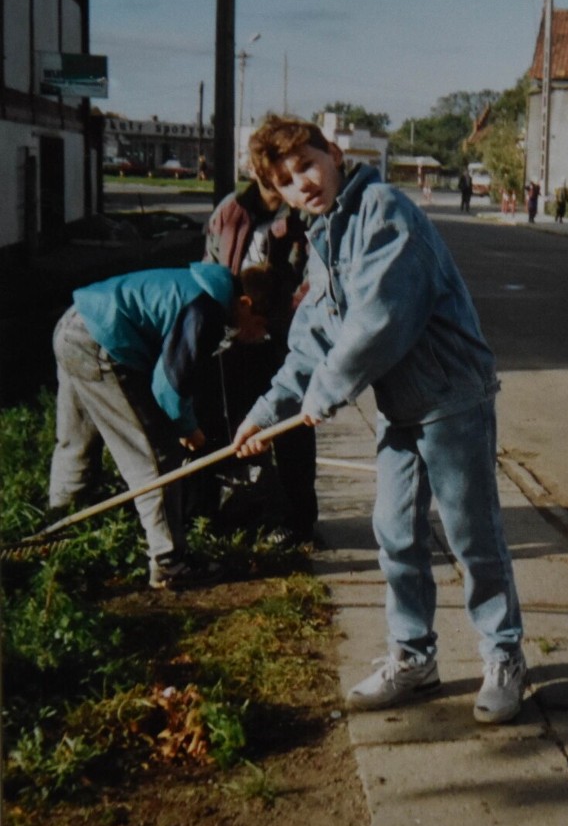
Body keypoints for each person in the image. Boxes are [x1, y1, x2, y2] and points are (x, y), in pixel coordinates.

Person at [232, 116, 526, 725]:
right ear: (279, 193)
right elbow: (314, 336)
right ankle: (414, 658)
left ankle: (504, 658)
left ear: (335, 155)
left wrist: (325, 396)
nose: (302, 183)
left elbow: (381, 319)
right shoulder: (323, 239)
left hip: (451, 397)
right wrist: (264, 415)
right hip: (401, 407)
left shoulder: (385, 210)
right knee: (394, 534)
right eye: (286, 180)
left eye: (308, 165)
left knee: (473, 536)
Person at [49, 263, 277, 589]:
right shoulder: (206, 309)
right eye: (259, 326)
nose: (257, 336)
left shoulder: (203, 287)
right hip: (102, 340)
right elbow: (167, 386)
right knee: (155, 457)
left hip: (73, 324)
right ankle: (170, 561)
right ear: (245, 305)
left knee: (76, 440)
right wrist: (188, 429)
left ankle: (59, 532)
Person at [199, 175, 318, 545]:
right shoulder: (229, 211)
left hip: (285, 337)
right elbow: (210, 264)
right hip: (239, 334)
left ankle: (299, 522)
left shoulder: (302, 213)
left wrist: (292, 316)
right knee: (237, 426)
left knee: (293, 428)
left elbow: (318, 274)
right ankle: (247, 512)